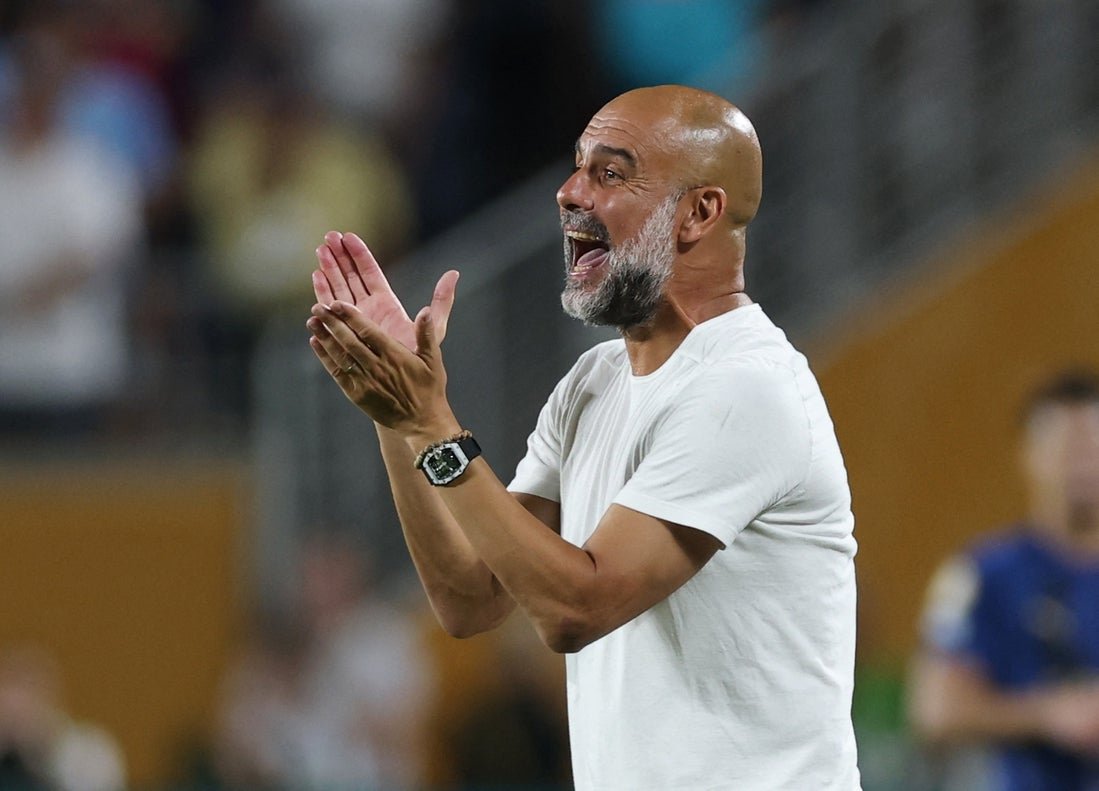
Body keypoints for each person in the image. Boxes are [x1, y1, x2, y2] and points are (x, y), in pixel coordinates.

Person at [305, 84, 861, 789]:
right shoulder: (593, 382)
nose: (569, 193)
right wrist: (398, 413)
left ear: (699, 212)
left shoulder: (745, 387)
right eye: (576, 168)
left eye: (611, 172)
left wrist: (430, 424)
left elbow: (575, 608)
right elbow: (471, 596)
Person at [910, 371, 1099, 791]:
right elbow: (935, 709)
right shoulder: (984, 574)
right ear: (1029, 456)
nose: (1083, 465)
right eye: (1068, 450)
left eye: (1093, 448)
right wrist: (1048, 714)